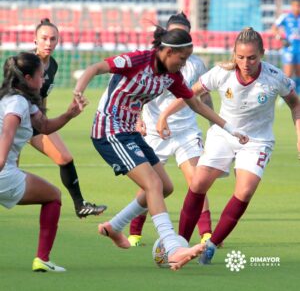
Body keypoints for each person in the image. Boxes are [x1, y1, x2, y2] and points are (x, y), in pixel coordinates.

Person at [73, 26, 247, 271]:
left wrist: (230, 128)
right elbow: (96, 68)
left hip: (129, 131)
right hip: (109, 128)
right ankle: (173, 248)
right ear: (167, 51)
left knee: (165, 187)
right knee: (152, 184)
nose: (185, 64)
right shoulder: (137, 60)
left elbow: (196, 104)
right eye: (182, 58)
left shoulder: (171, 76)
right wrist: (78, 90)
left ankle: (114, 226)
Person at [162, 27, 300, 264]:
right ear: (234, 54)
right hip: (224, 133)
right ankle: (180, 244)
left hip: (257, 141)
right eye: (241, 57)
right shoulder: (221, 73)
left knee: (244, 191)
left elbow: (296, 105)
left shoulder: (275, 78)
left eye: (252, 57)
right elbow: (190, 94)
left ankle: (211, 246)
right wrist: (164, 115)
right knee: (198, 183)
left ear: (263, 54)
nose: (246, 63)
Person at [127, 12, 214, 247]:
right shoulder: (152, 61)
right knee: (151, 185)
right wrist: (137, 119)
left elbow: (202, 96)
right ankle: (135, 232)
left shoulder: (195, 64)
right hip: (155, 132)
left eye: (184, 34)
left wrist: (214, 124)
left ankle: (206, 233)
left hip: (186, 131)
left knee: (197, 182)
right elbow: (137, 93)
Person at [0, 52, 88, 271]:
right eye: (40, 75)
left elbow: (45, 127)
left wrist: (69, 114)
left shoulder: (16, 100)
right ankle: (43, 259)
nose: (44, 79)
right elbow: (7, 134)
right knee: (53, 196)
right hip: (3, 172)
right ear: (28, 79)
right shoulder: (18, 103)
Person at [28, 18, 106, 218]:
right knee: (8, 171)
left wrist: (44, 120)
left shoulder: (52, 65)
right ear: (34, 40)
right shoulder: (27, 63)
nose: (48, 43)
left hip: (36, 123)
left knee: (65, 158)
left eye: (53, 39)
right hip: (16, 123)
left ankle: (80, 206)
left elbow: (42, 98)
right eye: (44, 38)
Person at [272, 0, 300, 99]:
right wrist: (281, 38)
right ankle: (283, 96)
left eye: (298, 6)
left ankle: (295, 94)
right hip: (289, 50)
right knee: (287, 74)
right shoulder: (286, 17)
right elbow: (274, 28)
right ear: (292, 6)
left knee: (298, 73)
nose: (297, 8)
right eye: (295, 6)